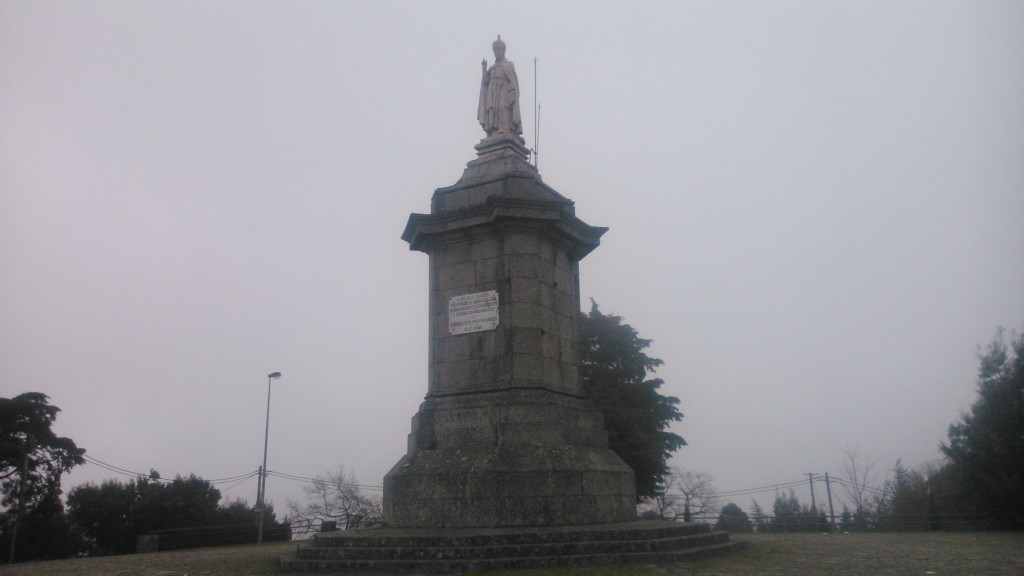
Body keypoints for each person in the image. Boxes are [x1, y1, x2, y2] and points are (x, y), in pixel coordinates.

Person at [477, 35, 523, 139]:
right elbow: (485, 81)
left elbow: (513, 81)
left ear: (503, 51)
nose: (497, 52)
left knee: (503, 109)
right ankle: (492, 131)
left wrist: (512, 92)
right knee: (492, 110)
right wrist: (484, 68)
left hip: (503, 91)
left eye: (499, 49)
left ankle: (505, 129)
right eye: (495, 50)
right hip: (492, 93)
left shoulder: (508, 64)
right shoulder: (492, 68)